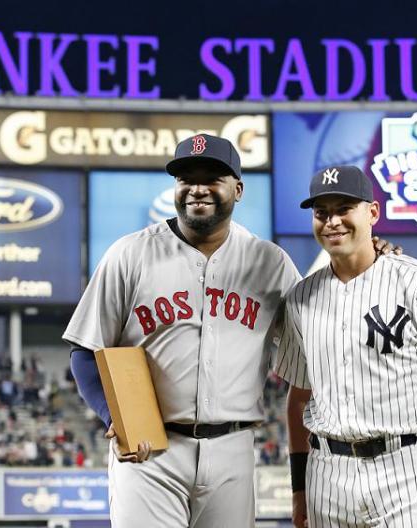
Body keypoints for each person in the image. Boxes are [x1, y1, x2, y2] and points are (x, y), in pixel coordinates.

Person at [63, 134, 302, 528]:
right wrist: (114, 417)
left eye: (212, 178)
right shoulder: (130, 253)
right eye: (186, 178)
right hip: (151, 451)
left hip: (233, 448)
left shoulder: (269, 262)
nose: (197, 189)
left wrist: (371, 261)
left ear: (238, 189)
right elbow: (85, 350)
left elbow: (318, 329)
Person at [275, 165, 417, 528]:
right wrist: (299, 488)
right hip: (327, 474)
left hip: (405, 468)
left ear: (372, 213)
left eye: (344, 208)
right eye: (321, 213)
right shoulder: (301, 298)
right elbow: (299, 397)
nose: (332, 221)